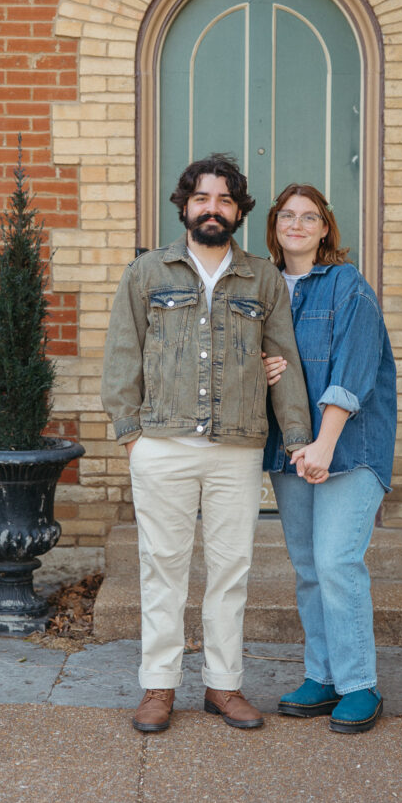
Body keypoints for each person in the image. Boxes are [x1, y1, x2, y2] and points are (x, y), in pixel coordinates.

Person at [101, 154, 311, 733]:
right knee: (162, 568)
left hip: (237, 449)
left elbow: (284, 360)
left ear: (238, 210)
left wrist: (297, 436)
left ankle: (223, 687)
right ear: (185, 206)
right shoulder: (147, 272)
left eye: (223, 200)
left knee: (230, 570)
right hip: (161, 444)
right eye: (201, 199)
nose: (212, 209)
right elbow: (122, 356)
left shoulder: (262, 277)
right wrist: (131, 437)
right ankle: (159, 688)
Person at [262, 183, 397, 734]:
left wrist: (325, 444)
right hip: (289, 447)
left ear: (325, 228)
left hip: (349, 448)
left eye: (309, 216)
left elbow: (354, 368)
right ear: (274, 224)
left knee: (338, 563)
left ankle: (359, 683)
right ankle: (321, 676)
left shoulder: (348, 284)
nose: (297, 223)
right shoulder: (264, 287)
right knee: (309, 569)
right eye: (287, 215)